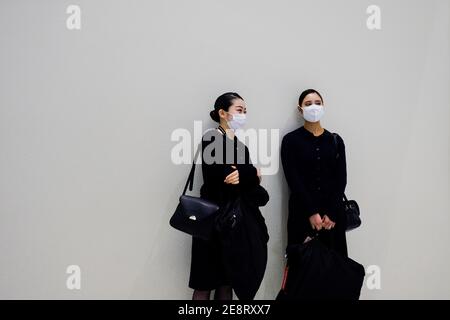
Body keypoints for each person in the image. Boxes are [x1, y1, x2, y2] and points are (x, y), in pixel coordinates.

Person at [189, 92, 269, 300]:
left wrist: (246, 174)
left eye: (245, 111)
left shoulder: (241, 147)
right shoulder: (211, 138)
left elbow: (246, 183)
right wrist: (253, 173)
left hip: (234, 225)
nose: (243, 115)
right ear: (222, 113)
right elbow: (223, 175)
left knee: (227, 283)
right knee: (204, 283)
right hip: (211, 222)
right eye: (239, 110)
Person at [281, 89, 348, 257]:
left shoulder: (335, 140)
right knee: (303, 268)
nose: (314, 107)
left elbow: (341, 178)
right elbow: (293, 178)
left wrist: (332, 213)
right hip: (302, 212)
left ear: (324, 106)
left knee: (334, 268)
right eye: (308, 104)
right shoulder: (291, 140)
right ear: (300, 109)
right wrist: (311, 212)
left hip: (331, 216)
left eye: (318, 103)